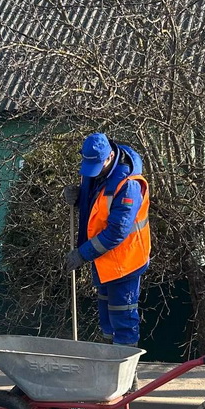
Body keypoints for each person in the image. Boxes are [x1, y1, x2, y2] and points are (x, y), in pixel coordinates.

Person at [62, 132, 150, 365]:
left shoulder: (129, 185)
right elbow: (97, 206)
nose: (92, 171)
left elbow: (116, 231)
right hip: (104, 261)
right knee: (107, 319)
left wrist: (83, 254)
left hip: (126, 262)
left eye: (96, 166)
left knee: (123, 318)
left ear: (110, 157)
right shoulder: (97, 172)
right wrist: (78, 197)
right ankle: (108, 368)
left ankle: (126, 374)